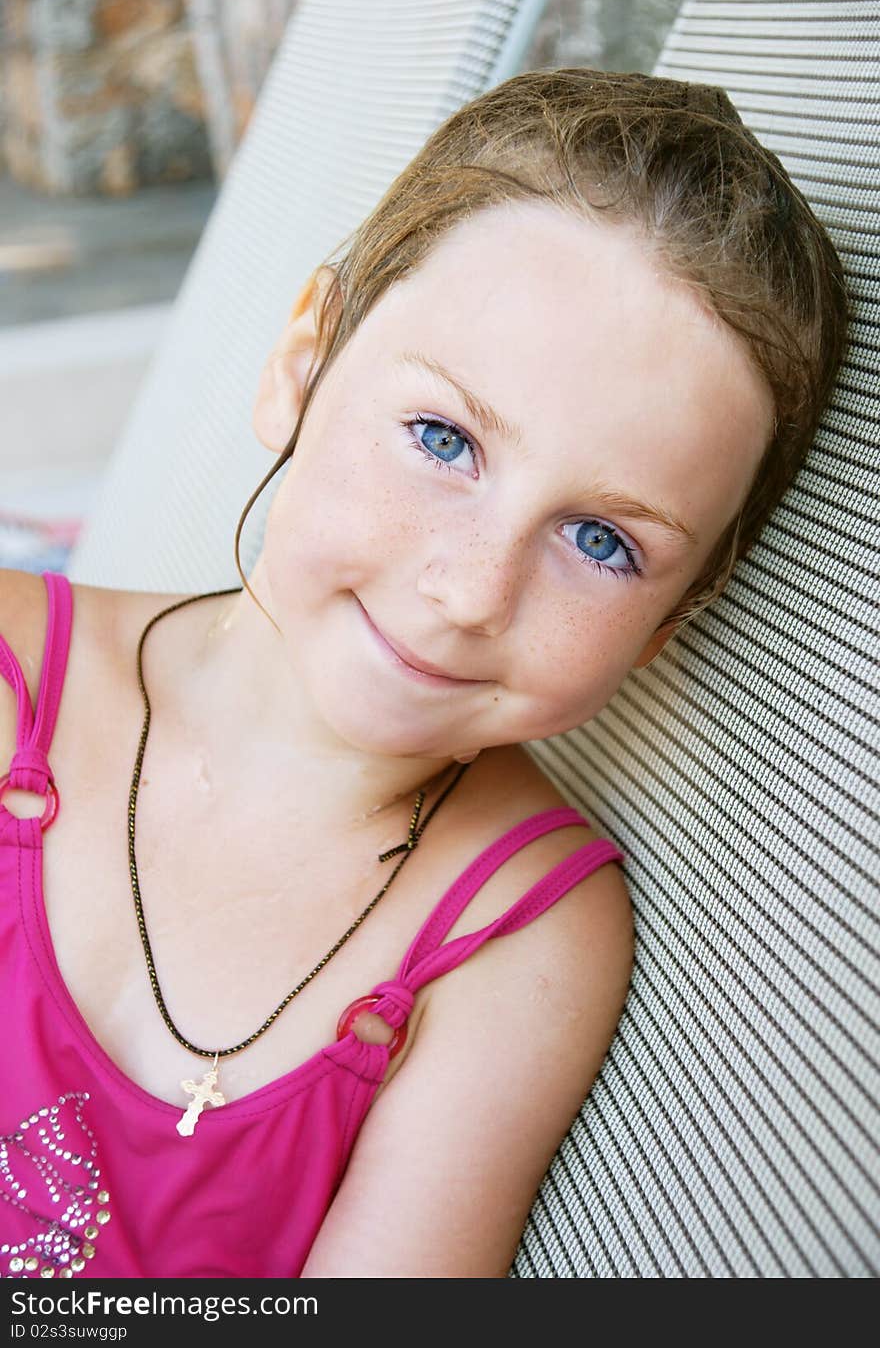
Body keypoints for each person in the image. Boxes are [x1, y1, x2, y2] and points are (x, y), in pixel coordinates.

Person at [0, 68, 848, 1280]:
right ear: (302, 362)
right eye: (443, 439)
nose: (468, 593)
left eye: (601, 541)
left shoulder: (519, 939)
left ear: (669, 625)